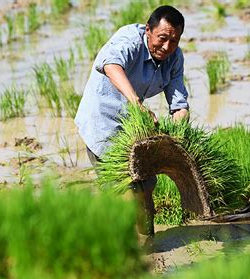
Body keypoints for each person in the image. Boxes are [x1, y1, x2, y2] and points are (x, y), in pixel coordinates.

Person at [74, 5, 189, 245]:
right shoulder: (129, 39)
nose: (167, 47)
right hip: (102, 120)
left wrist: (179, 128)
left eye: (174, 41)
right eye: (162, 38)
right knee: (123, 189)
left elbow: (179, 104)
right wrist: (136, 103)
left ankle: (148, 242)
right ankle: (115, 247)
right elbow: (111, 65)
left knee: (146, 185)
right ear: (148, 30)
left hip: (131, 126)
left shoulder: (174, 58)